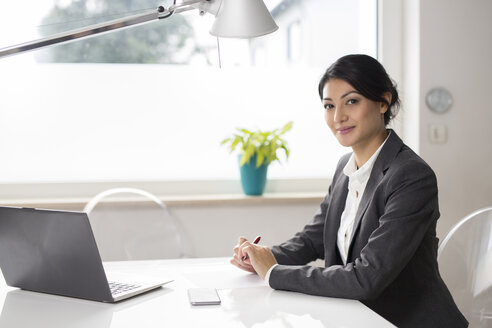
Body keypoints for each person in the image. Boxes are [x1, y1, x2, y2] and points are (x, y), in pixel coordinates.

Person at [230, 54, 468, 327]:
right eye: (329, 106)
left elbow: (366, 277)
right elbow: (314, 238)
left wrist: (273, 272)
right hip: (357, 317)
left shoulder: (411, 176)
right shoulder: (346, 166)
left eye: (351, 101)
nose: (338, 117)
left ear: (383, 101)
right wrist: (261, 256)